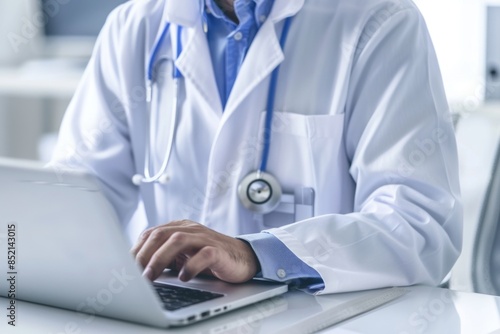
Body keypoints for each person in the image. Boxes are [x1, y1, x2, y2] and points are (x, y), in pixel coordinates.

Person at [50, 0, 463, 294]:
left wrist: (258, 253)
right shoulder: (133, 27)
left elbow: (419, 225)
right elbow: (74, 197)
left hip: (323, 317)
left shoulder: (380, 20)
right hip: (179, 310)